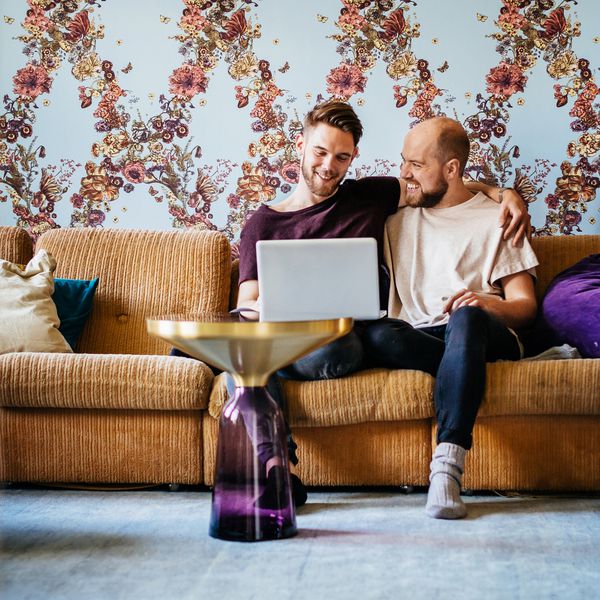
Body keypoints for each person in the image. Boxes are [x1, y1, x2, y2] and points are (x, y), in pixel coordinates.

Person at [235, 101, 533, 509]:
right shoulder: (261, 224)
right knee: (254, 346)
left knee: (354, 341)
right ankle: (276, 469)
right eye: (320, 152)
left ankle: (447, 469)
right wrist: (278, 304)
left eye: (341, 157)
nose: (328, 166)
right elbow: (247, 305)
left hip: (346, 341)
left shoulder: (371, 197)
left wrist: (505, 193)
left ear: (353, 158)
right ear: (301, 146)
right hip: (293, 337)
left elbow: (445, 184)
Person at [363, 116, 538, 519]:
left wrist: (484, 303)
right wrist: (499, 188)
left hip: (483, 329)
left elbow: (525, 309)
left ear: (452, 169)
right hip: (423, 335)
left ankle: (447, 466)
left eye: (416, 165)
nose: (404, 172)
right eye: (403, 160)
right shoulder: (396, 219)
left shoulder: (498, 221)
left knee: (465, 320)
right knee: (376, 335)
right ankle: (461, 369)